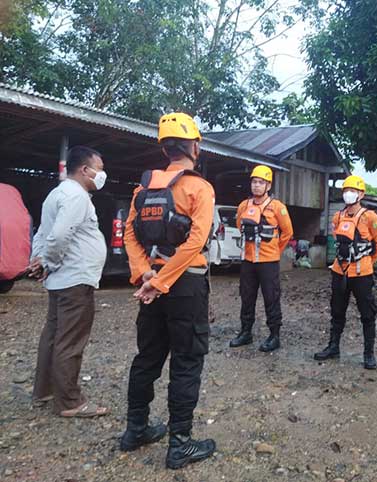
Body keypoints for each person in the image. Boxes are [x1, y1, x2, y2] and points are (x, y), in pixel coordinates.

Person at [120, 112, 216, 469]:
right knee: (187, 359)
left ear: (165, 148)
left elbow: (130, 234)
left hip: (153, 284)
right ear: (194, 145)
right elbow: (196, 242)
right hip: (185, 284)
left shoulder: (143, 189)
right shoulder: (198, 187)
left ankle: (136, 429)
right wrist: (160, 281)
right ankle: (180, 443)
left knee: (147, 356)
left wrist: (145, 274)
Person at [29, 146, 109, 417]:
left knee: (53, 335)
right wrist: (48, 262)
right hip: (75, 277)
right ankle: (70, 402)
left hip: (62, 279)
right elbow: (60, 234)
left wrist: (39, 259)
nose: (102, 174)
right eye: (99, 168)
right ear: (85, 170)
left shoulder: (56, 193)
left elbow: (42, 233)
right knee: (70, 339)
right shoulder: (77, 196)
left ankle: (45, 390)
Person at [314, 175, 377, 369]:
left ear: (361, 194)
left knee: (367, 313)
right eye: (346, 190)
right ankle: (333, 346)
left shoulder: (370, 217)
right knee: (337, 309)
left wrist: (368, 262)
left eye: (352, 190)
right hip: (340, 270)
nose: (348, 194)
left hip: (362, 272)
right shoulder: (338, 216)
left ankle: (368, 354)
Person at [229, 165, 293, 352]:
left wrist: (275, 251)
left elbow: (287, 232)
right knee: (246, 297)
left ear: (268, 185)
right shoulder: (243, 206)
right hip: (248, 260)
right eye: (254, 182)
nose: (256, 186)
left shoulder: (277, 207)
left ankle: (274, 335)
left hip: (268, 262)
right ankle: (245, 332)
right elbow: (239, 224)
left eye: (261, 182)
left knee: (271, 298)